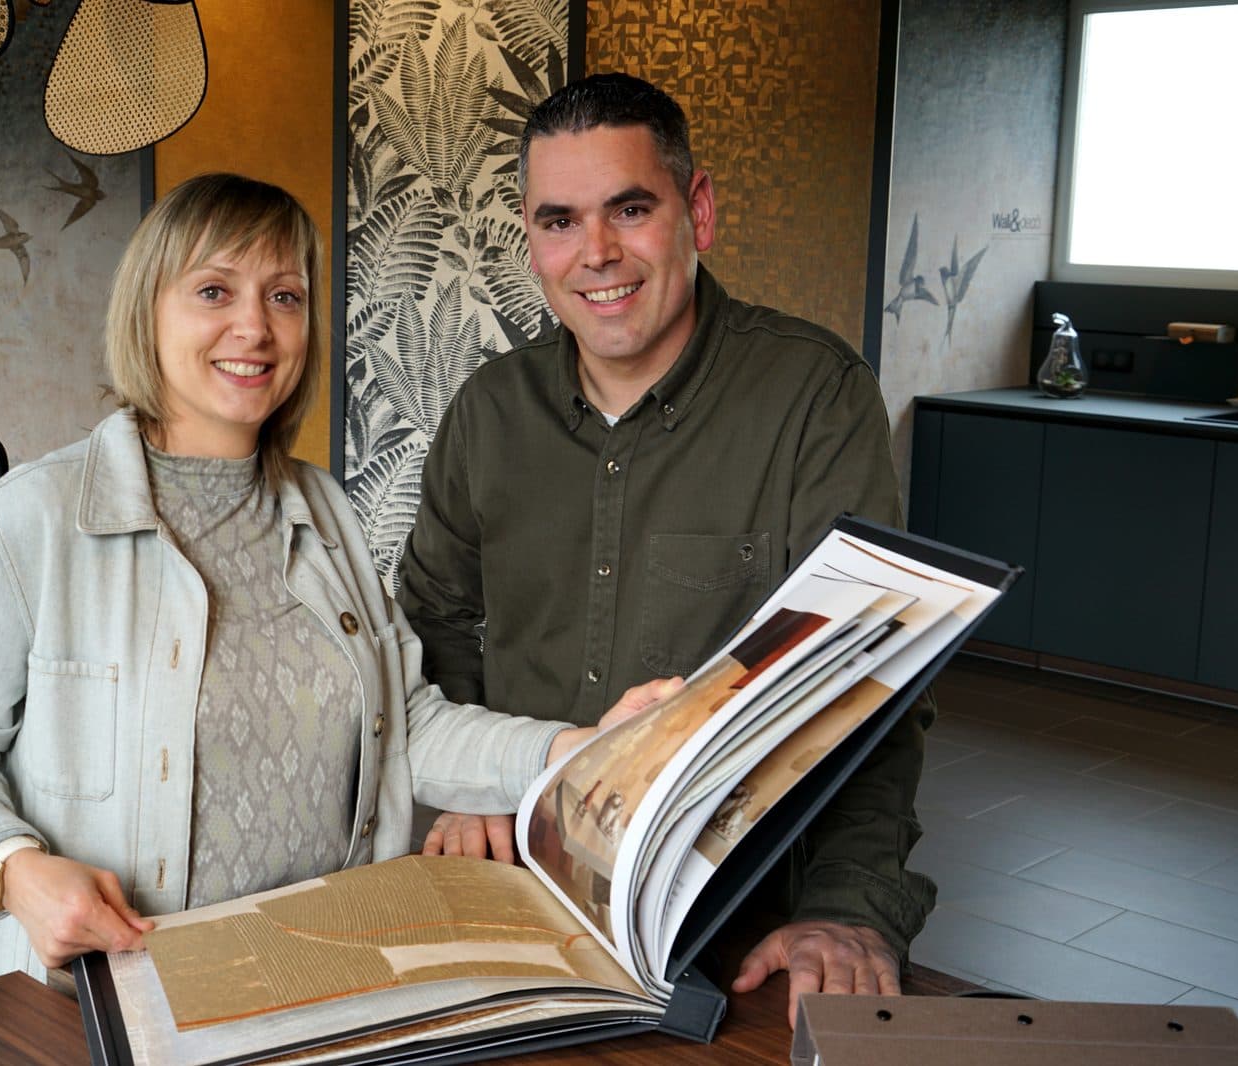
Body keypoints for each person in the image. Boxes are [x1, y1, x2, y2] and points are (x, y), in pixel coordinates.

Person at [0, 173, 674, 995]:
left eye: (285, 297)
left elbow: (409, 727)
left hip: (312, 980)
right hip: (85, 1000)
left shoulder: (326, 509)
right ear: (149, 311)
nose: (254, 328)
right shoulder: (26, 521)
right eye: (215, 290)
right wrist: (14, 868)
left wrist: (574, 752)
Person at [396, 74, 936, 1025]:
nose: (596, 253)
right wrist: (476, 783)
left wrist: (849, 913)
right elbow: (432, 623)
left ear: (699, 210)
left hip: (736, 920)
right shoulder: (489, 411)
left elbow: (874, 684)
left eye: (631, 209)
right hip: (520, 890)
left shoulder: (814, 400)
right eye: (559, 221)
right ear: (531, 238)